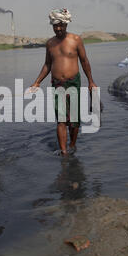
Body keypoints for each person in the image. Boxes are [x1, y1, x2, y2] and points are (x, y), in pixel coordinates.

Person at [30, 8, 97, 156]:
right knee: (61, 120)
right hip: (57, 84)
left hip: (73, 83)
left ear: (66, 25)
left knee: (74, 121)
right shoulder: (50, 43)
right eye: (55, 25)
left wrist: (91, 82)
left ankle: (72, 145)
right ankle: (64, 152)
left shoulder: (76, 40)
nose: (58, 28)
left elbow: (84, 61)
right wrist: (37, 82)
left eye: (61, 25)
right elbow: (47, 64)